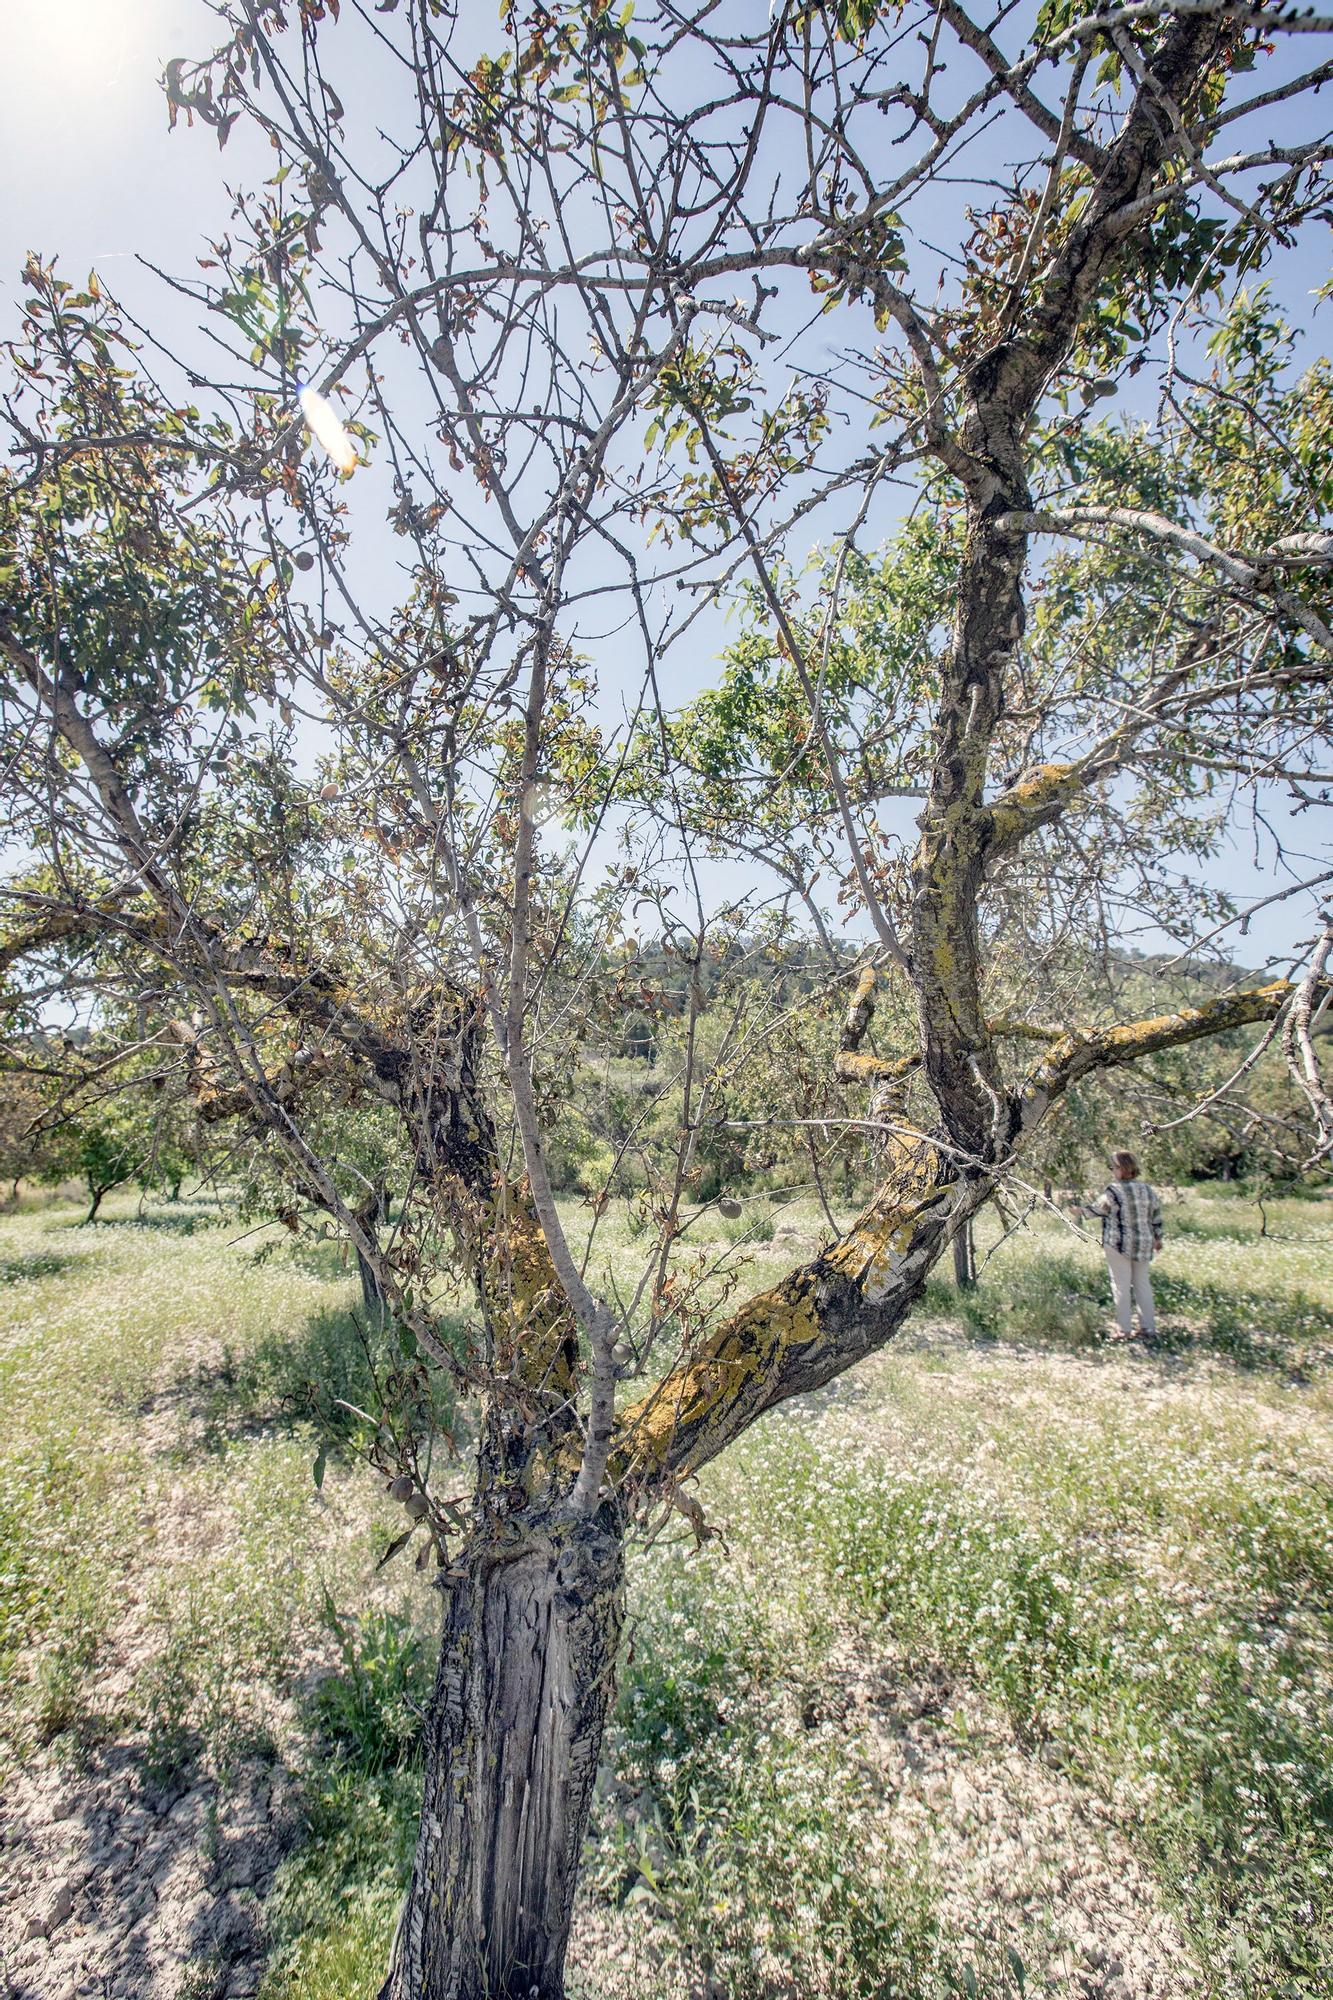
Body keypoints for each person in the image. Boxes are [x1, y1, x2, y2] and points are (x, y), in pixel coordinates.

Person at [1085, 1150, 1164, 1341]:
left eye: (1114, 1167)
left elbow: (1098, 1210)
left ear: (1122, 1168)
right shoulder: (1146, 1189)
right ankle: (1148, 1329)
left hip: (1118, 1243)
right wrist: (1158, 1237)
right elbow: (1156, 1215)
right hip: (1143, 1243)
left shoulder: (1113, 1190)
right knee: (1142, 1285)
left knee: (1120, 1286)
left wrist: (1080, 1211)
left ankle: (1123, 1329)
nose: (1112, 1171)